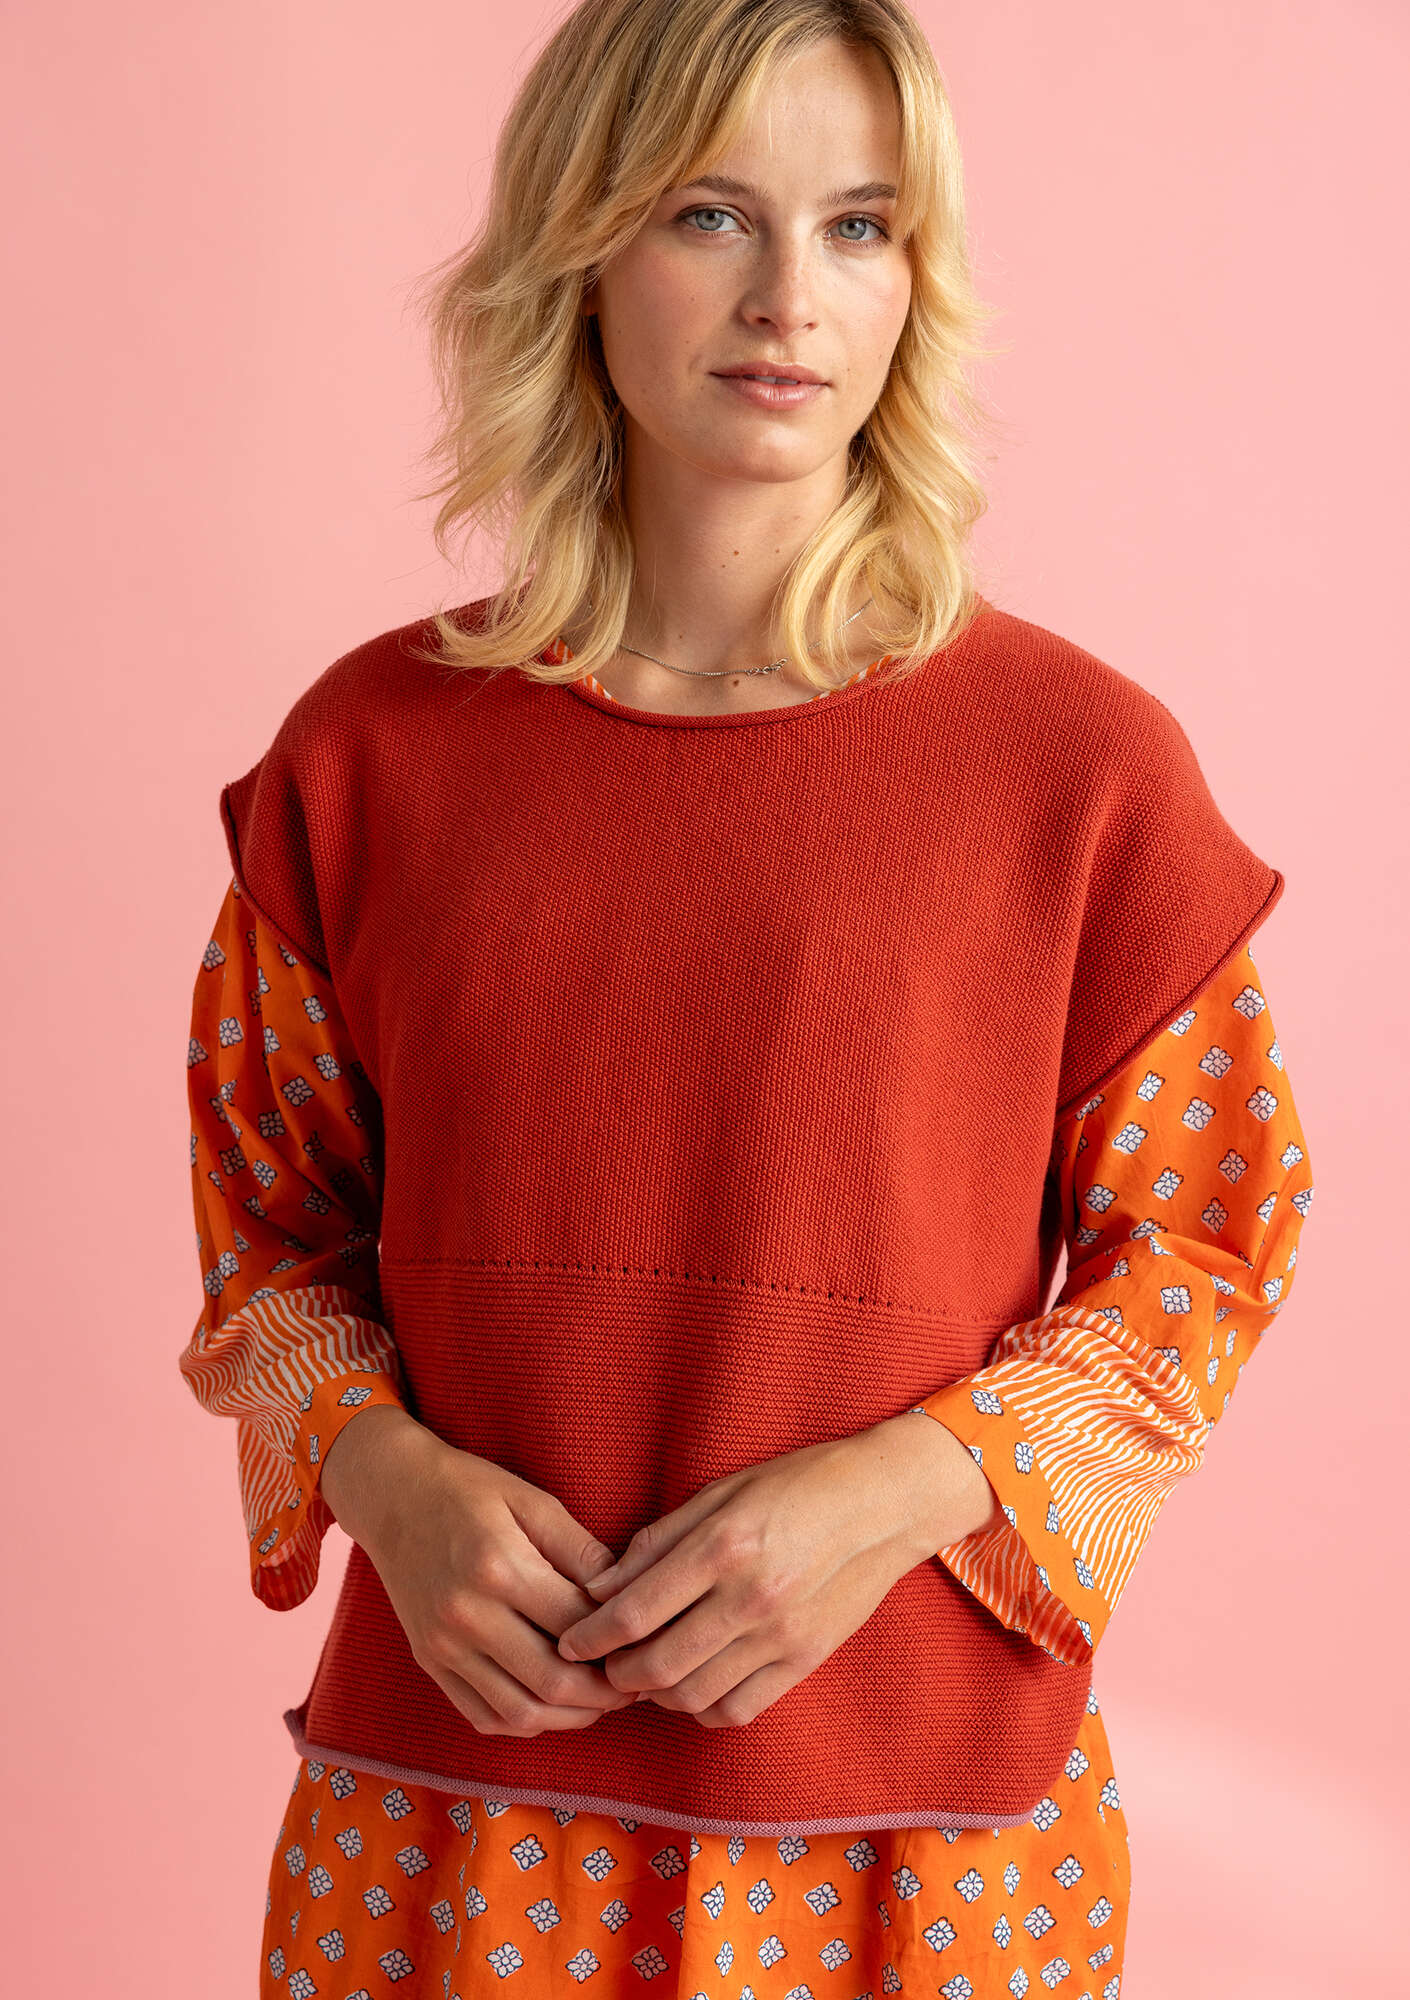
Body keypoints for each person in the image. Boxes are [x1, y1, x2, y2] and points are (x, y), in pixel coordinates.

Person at [180, 3, 1314, 1993]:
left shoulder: (1080, 772)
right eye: (710, 214)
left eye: (860, 226)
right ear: (580, 246)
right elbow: (270, 1235)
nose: (793, 295)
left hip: (925, 1842)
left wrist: (901, 1486)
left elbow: (1205, 1246)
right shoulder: (365, 760)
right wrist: (384, 1475)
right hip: (450, 1817)